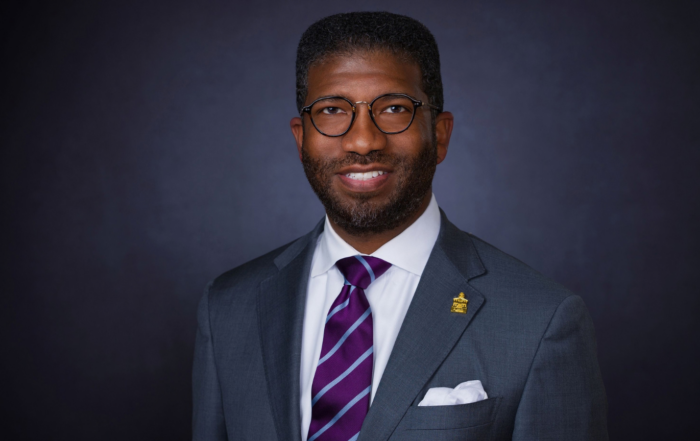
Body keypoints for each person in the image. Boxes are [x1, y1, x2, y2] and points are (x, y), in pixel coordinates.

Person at [192, 11, 608, 441]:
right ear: (301, 139)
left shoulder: (540, 321)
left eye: (393, 108)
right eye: (333, 110)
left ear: (440, 134)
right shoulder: (228, 307)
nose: (363, 141)